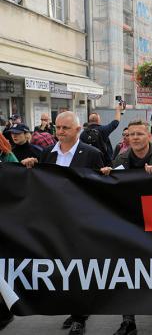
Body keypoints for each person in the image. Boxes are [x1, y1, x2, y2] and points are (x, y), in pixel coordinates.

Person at [21, 112, 103, 335]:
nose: (60, 132)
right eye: (57, 127)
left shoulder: (92, 154)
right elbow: (40, 181)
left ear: (78, 130)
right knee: (62, 268)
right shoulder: (48, 153)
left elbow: (103, 187)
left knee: (78, 269)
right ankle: (72, 309)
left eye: (65, 128)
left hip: (81, 221)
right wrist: (29, 167)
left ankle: (79, 317)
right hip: (55, 220)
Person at [101, 120, 152, 335]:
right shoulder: (121, 158)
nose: (134, 138)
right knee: (127, 270)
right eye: (131, 134)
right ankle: (128, 320)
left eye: (139, 134)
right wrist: (106, 175)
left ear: (148, 136)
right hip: (130, 221)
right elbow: (114, 188)